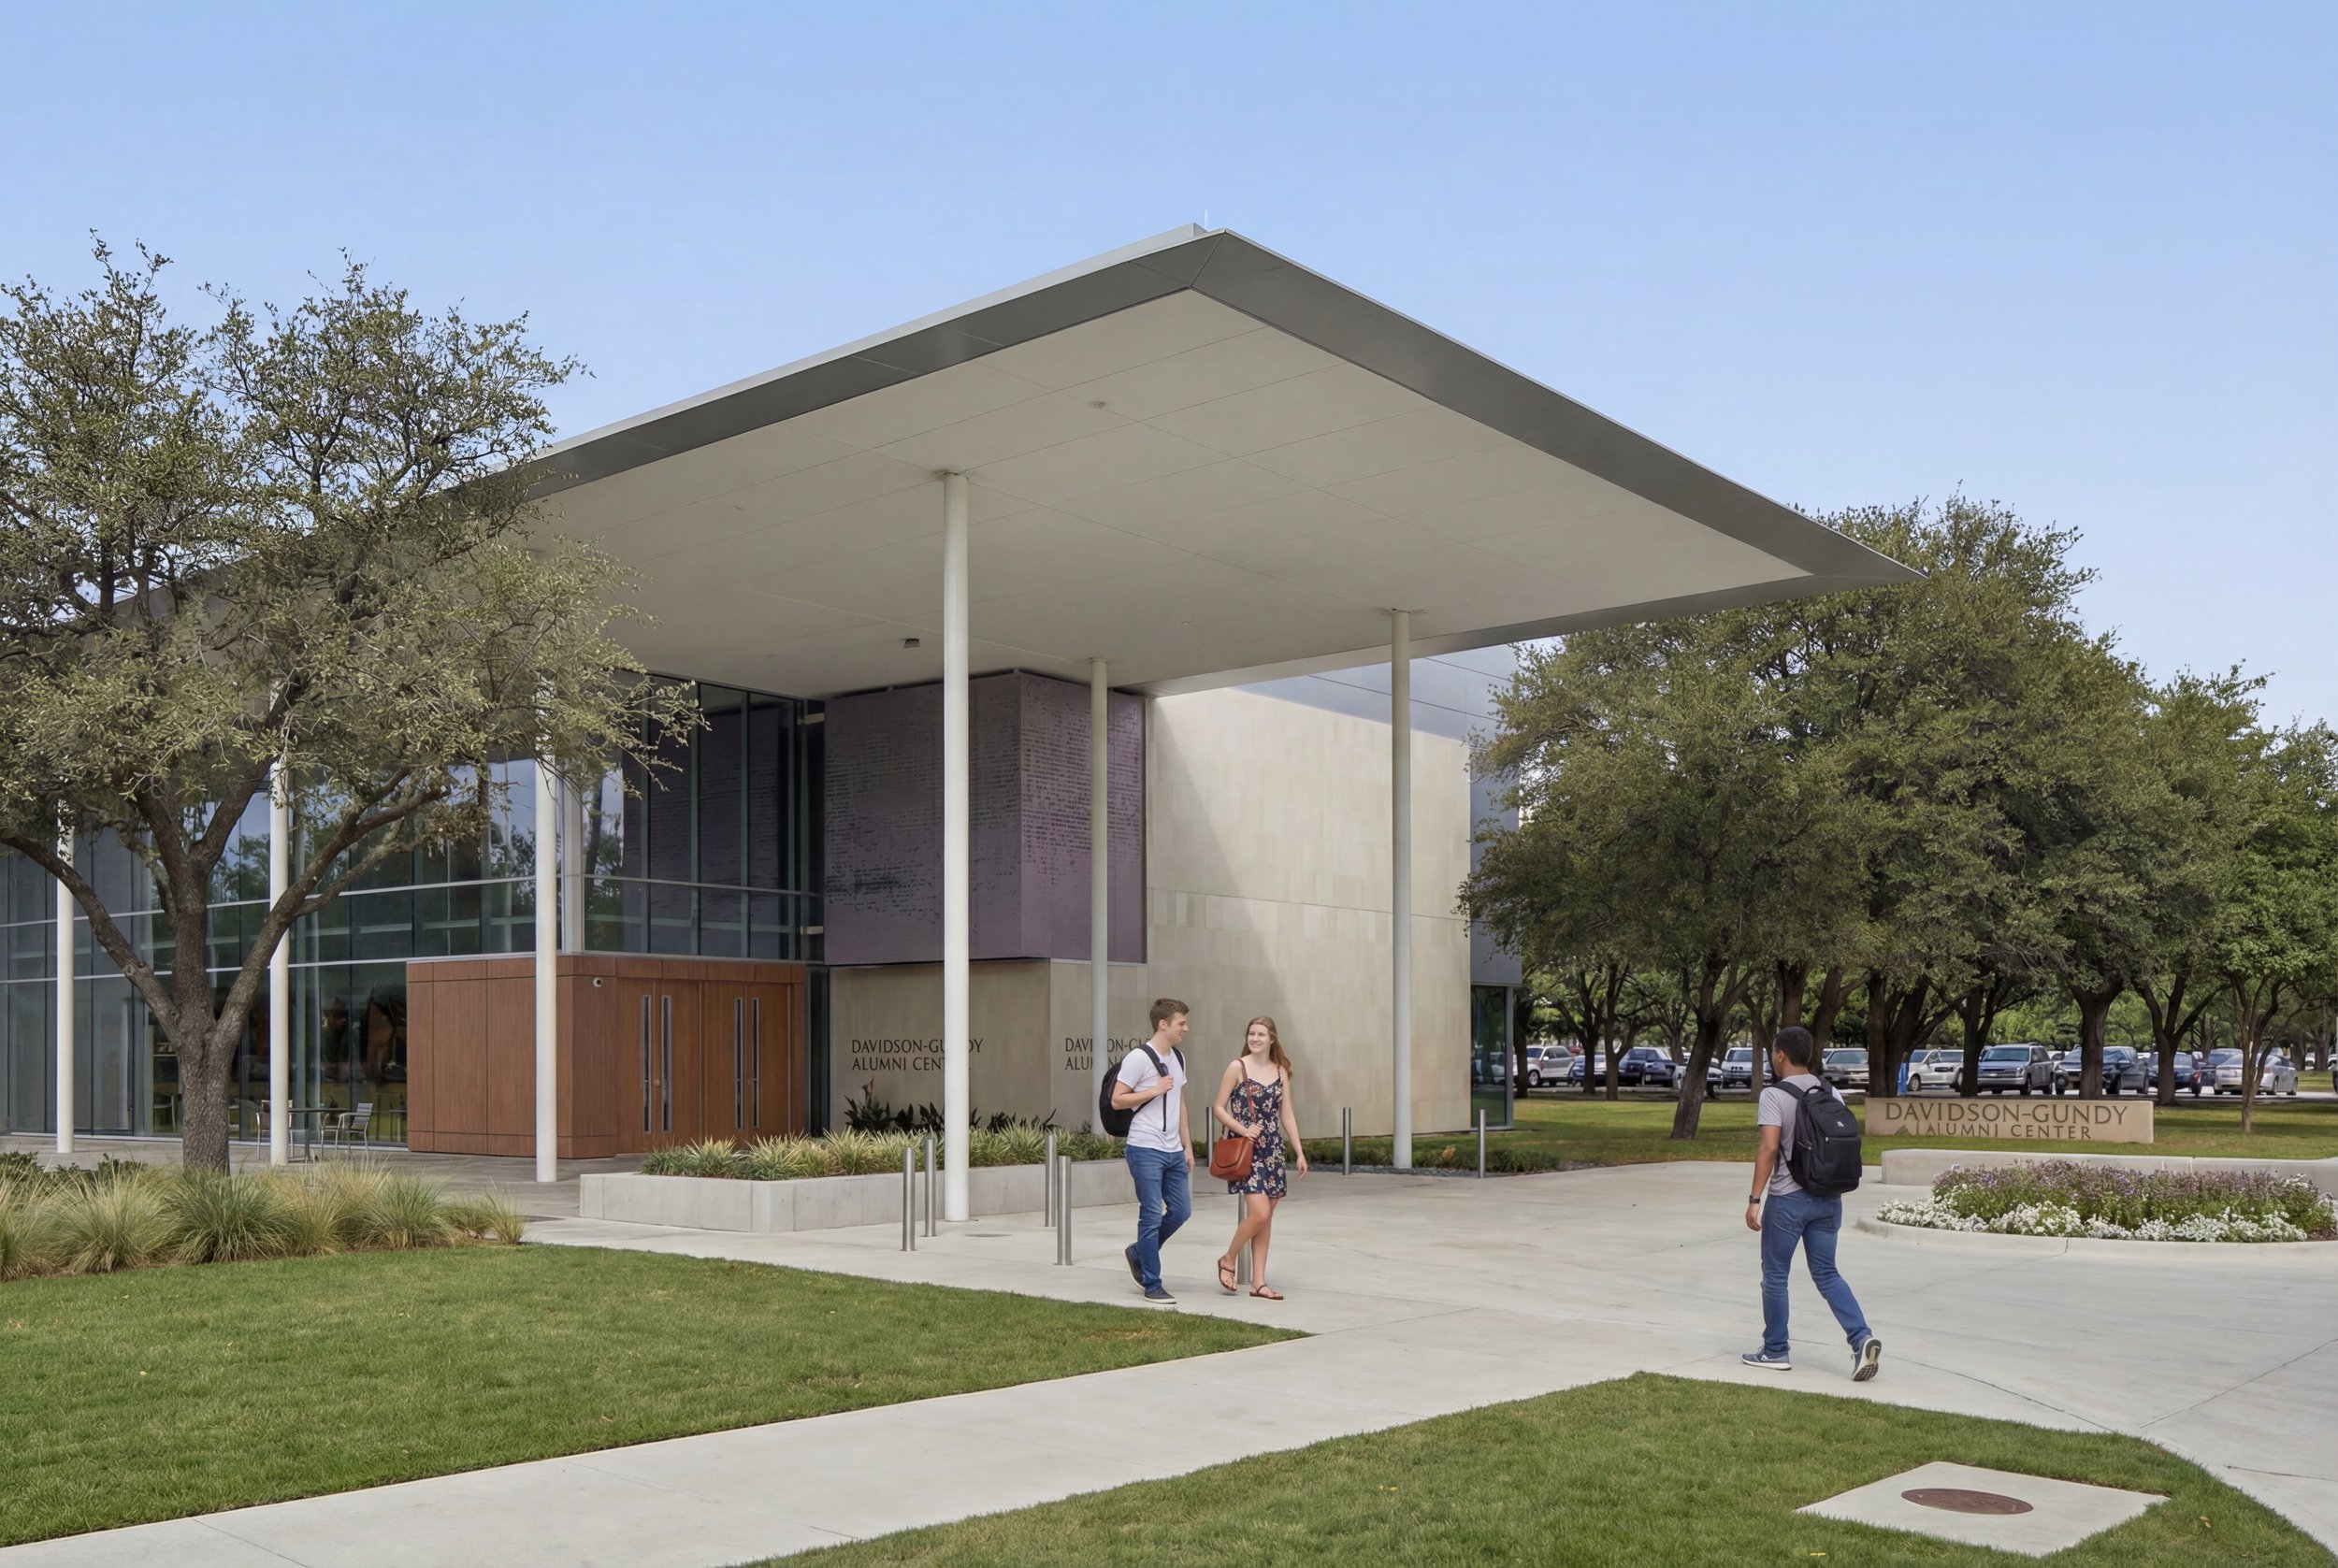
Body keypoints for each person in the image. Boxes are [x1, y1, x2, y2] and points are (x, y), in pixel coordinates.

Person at [1742, 1026, 1882, 1380]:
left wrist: (1755, 1199)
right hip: (1829, 1197)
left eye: (1774, 1052)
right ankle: (1861, 1337)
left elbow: (1769, 1149)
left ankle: (1775, 1351)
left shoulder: (1773, 1095)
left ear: (1780, 1055)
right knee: (1827, 1273)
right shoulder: (1828, 1090)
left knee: (1775, 1276)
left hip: (1789, 1200)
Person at [1211, 1015, 1307, 1300]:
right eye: (1251, 1033)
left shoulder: (1281, 1072)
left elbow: (1286, 1114)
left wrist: (1299, 1152)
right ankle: (1228, 1259)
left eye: (1261, 1034)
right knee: (1260, 1213)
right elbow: (1219, 1107)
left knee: (1266, 1219)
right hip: (1247, 1148)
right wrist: (1244, 1129)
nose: (1254, 1038)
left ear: (1272, 1039)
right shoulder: (1237, 1067)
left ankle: (1258, 1283)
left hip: (1273, 1150)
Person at [1113, 998, 1193, 1304]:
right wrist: (1153, 1090)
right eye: (1181, 1023)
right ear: (1163, 1024)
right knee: (1150, 1214)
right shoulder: (1138, 1058)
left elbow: (1180, 1103)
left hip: (1173, 1149)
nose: (1186, 1028)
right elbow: (1117, 1100)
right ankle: (1152, 1283)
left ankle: (1138, 1252)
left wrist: (1186, 1144)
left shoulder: (1179, 1058)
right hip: (1144, 1147)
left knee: (1181, 1211)